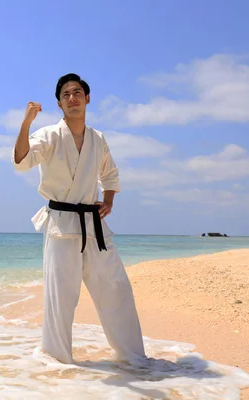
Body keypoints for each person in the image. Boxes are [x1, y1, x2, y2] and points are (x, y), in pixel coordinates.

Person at [12, 73, 147, 365]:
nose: (72, 98)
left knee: (116, 288)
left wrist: (108, 200)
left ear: (87, 98)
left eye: (77, 93)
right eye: (65, 95)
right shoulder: (48, 135)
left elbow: (109, 174)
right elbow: (22, 161)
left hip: (93, 225)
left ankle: (134, 357)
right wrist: (26, 123)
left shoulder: (98, 139)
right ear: (59, 104)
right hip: (61, 223)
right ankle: (57, 358)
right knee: (61, 297)